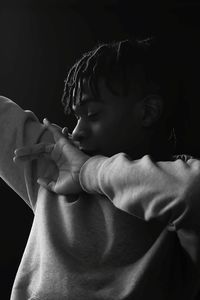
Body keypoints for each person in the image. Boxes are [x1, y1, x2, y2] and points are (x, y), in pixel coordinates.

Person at [1, 38, 200, 300]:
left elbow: (190, 193)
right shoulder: (53, 165)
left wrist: (88, 171)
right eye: (76, 116)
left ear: (148, 112)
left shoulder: (176, 182)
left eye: (92, 115)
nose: (76, 132)